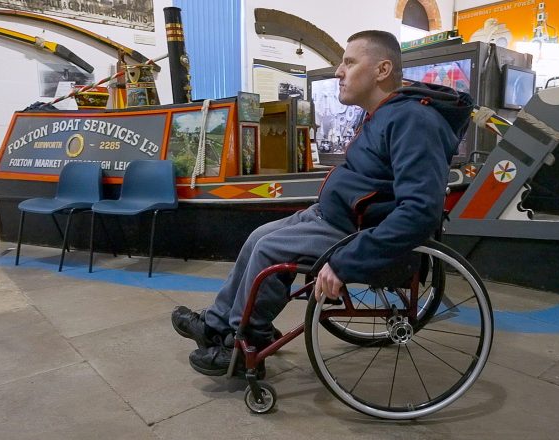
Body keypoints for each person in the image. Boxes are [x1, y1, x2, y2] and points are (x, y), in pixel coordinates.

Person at [172, 30, 473, 376]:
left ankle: (244, 344)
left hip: (354, 230)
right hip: (336, 218)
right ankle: (216, 325)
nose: (338, 72)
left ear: (382, 69)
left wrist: (347, 260)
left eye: (349, 62)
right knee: (258, 237)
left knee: (270, 249)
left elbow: (420, 211)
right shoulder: (385, 114)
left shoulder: (413, 120)